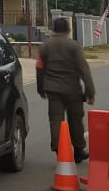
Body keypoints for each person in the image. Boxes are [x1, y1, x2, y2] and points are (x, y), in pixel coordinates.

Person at [36, 16, 95, 163]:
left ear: (53, 29)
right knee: (76, 120)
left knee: (56, 120)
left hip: (53, 89)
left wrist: (40, 88)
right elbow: (84, 69)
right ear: (68, 30)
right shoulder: (73, 46)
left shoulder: (45, 46)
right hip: (72, 89)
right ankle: (79, 150)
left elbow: (39, 69)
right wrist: (90, 91)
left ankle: (59, 150)